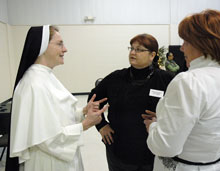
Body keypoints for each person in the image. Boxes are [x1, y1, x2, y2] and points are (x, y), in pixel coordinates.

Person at [143, 9, 220, 171]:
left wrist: (153, 126)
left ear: (204, 44)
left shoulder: (189, 81)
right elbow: (208, 123)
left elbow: (165, 146)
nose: (182, 48)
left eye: (186, 42)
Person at [6, 25, 108, 171]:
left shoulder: (45, 76)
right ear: (41, 47)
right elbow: (46, 139)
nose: (65, 49)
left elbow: (55, 117)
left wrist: (83, 112)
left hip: (59, 158)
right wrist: (84, 124)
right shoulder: (35, 84)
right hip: (49, 162)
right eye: (59, 44)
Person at [88, 34, 174, 171]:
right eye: (132, 48)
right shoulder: (116, 78)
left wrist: (161, 119)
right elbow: (93, 99)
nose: (133, 52)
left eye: (139, 50)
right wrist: (101, 125)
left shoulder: (166, 80)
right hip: (119, 151)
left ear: (152, 55)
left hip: (151, 152)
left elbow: (178, 111)